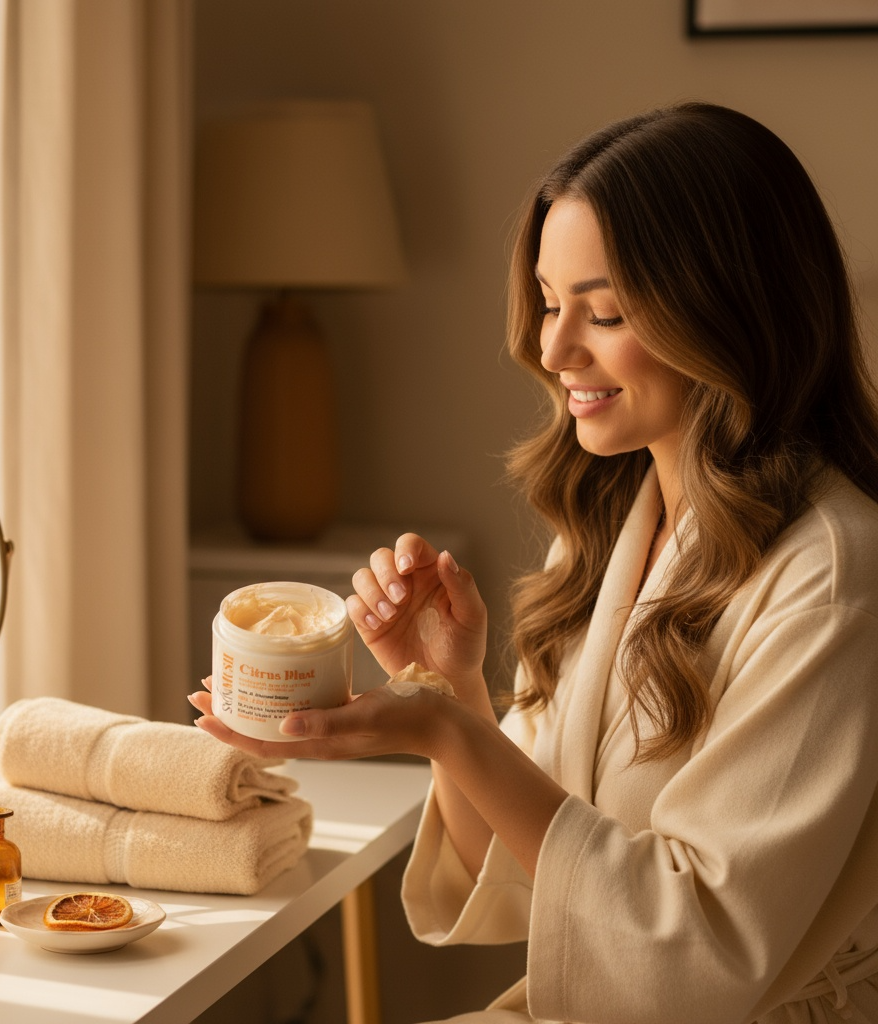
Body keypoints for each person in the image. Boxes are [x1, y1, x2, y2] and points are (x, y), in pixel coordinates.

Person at [190, 102, 878, 1023]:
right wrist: (449, 689)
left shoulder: (832, 578)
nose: (553, 349)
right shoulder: (612, 525)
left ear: (726, 310)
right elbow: (531, 874)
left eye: (604, 312)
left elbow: (697, 961)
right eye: (551, 305)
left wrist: (443, 730)